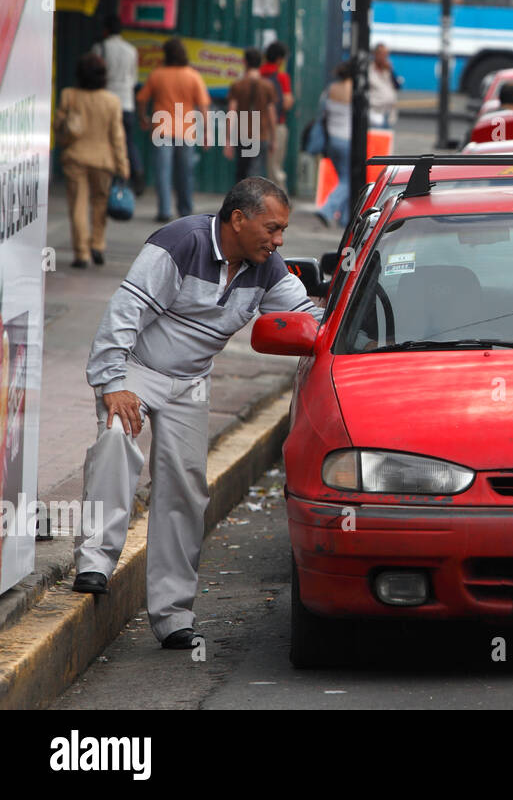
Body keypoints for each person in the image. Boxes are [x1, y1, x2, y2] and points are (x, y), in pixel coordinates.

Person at [71, 178, 324, 648]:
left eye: (283, 230)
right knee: (115, 438)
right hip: (137, 368)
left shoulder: (266, 267)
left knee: (185, 488)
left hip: (190, 381)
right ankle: (95, 561)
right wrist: (113, 383)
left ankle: (172, 617)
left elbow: (308, 318)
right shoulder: (179, 244)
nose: (279, 240)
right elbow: (123, 313)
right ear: (237, 219)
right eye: (272, 228)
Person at [55, 54, 130, 268]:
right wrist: (123, 164)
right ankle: (97, 244)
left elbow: (59, 124)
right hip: (103, 161)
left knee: (78, 205)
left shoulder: (69, 95)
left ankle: (82, 253)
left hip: (75, 157)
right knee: (100, 204)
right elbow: (117, 136)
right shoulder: (112, 101)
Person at [136, 38, 209, 224]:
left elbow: (142, 98)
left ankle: (164, 211)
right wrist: (206, 133)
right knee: (185, 173)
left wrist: (143, 116)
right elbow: (202, 106)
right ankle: (185, 210)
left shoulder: (157, 75)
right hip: (186, 130)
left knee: (163, 172)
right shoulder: (192, 75)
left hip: (162, 130)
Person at [91, 16, 145, 195]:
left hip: (105, 102)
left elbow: (93, 76)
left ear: (106, 30)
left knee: (105, 141)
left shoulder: (99, 48)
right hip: (126, 103)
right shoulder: (131, 51)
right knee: (127, 141)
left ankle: (108, 181)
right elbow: (134, 79)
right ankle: (135, 173)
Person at [225, 48, 277, 182]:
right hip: (261, 136)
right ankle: (252, 202)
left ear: (245, 62)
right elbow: (272, 115)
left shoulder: (237, 85)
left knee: (241, 175)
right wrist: (274, 138)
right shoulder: (268, 86)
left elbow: (231, 113)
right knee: (256, 175)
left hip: (242, 136)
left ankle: (240, 201)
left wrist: (228, 140)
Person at [315, 61, 355, 228]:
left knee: (343, 178)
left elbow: (323, 112)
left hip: (332, 140)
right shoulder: (353, 90)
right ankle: (327, 210)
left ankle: (345, 218)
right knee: (347, 180)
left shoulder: (331, 90)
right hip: (347, 140)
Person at [258, 41, 294, 189]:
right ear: (280, 59)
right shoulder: (281, 77)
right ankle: (280, 204)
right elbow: (286, 103)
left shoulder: (257, 74)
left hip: (254, 127)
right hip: (276, 125)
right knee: (274, 169)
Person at [368, 43, 402, 128]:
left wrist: (391, 71)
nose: (384, 57)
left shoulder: (387, 69)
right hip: (375, 110)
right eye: (382, 54)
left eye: (386, 55)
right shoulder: (369, 69)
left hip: (388, 111)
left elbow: (397, 86)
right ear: (375, 54)